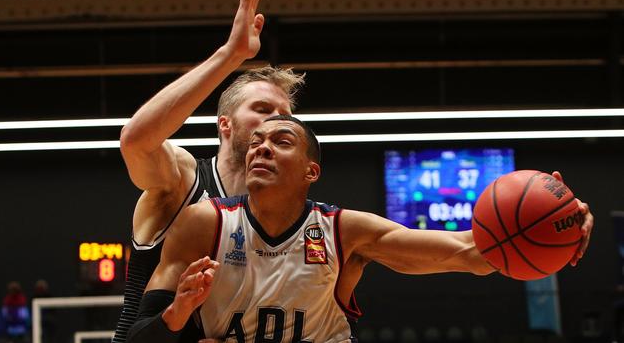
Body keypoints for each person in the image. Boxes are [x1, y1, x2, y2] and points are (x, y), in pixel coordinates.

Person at [126, 115, 595, 342]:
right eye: (256, 142)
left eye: (281, 141)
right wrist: (178, 313)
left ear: (311, 171)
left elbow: (473, 253)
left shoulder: (344, 231)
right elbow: (139, 338)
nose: (261, 148)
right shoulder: (204, 222)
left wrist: (565, 225)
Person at [112, 0, 304, 342]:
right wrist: (230, 55)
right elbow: (136, 141)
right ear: (225, 123)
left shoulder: (285, 210)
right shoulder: (184, 180)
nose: (276, 118)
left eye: (284, 114)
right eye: (262, 108)